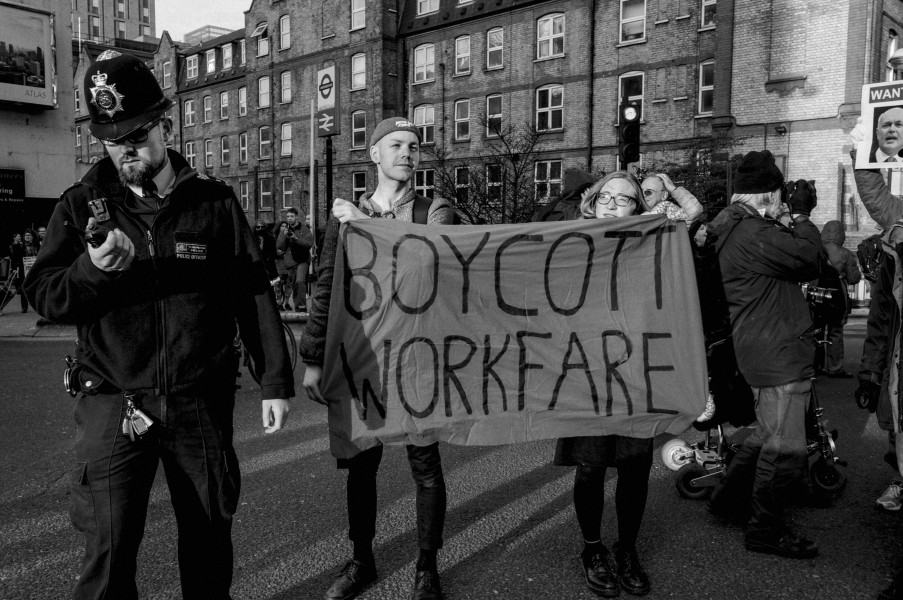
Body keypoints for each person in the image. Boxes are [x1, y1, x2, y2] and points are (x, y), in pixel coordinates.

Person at [22, 50, 294, 600]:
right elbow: (46, 296)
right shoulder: (80, 206)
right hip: (114, 402)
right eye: (112, 136)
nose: (127, 146)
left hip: (198, 401)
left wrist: (274, 381)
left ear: (165, 124)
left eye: (138, 132)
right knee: (109, 550)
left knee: (209, 542)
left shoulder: (212, 201)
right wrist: (91, 271)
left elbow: (251, 290)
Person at [300, 117, 455, 600]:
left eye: (413, 146)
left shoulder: (435, 211)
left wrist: (367, 227)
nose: (407, 153)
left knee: (425, 464)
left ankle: (426, 568)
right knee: (361, 462)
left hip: (418, 356)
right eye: (395, 145)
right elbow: (326, 286)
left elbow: (425, 263)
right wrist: (312, 357)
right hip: (362, 354)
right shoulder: (344, 215)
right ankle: (361, 559)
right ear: (374, 154)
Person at [705, 150, 822, 559]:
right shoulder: (754, 232)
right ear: (770, 195)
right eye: (781, 194)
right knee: (784, 449)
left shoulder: (737, 227)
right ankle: (764, 531)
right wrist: (803, 216)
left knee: (765, 437)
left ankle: (727, 501)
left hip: (763, 348)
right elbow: (809, 259)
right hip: (779, 352)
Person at [553, 171, 654, 598]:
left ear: (638, 208)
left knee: (634, 464)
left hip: (637, 371)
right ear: (592, 203)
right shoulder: (568, 244)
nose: (614, 204)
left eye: (626, 199)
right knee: (591, 465)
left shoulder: (655, 247)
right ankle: (592, 549)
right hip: (585, 370)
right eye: (606, 197)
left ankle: (627, 549)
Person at [817, 220, 861, 377]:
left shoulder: (816, 250)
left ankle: (817, 365)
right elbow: (854, 278)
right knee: (835, 331)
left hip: (817, 293)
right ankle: (835, 367)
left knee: (817, 329)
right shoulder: (845, 254)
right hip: (837, 295)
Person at [276, 207, 313, 313]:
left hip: (302, 259)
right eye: (288, 216)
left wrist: (296, 238)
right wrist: (283, 235)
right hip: (290, 260)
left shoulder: (304, 229)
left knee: (300, 281)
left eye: (292, 216)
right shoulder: (284, 229)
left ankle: (301, 306)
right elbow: (279, 246)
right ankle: (297, 305)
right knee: (293, 284)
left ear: (296, 216)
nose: (289, 219)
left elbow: (309, 244)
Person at [531, 167, 596, 222]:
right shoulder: (571, 211)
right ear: (586, 190)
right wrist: (588, 208)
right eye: (594, 188)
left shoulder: (554, 205)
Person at [640, 172, 704, 224]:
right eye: (640, 192)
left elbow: (694, 210)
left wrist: (672, 189)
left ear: (664, 195)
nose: (643, 195)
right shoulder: (634, 212)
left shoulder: (671, 215)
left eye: (648, 192)